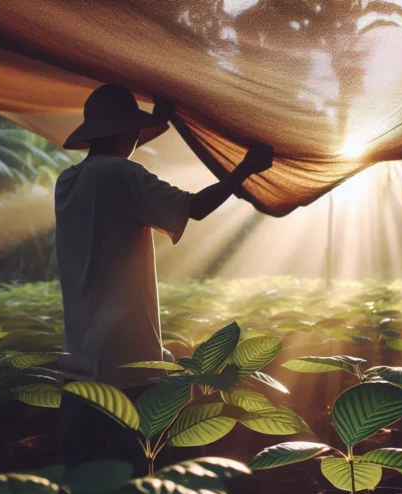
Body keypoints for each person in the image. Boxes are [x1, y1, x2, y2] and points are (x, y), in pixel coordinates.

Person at [54, 84, 273, 465]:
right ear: (126, 131)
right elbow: (195, 207)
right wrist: (245, 170)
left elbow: (119, 161)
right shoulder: (123, 175)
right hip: (127, 357)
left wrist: (158, 122)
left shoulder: (68, 182)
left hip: (79, 353)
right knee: (145, 463)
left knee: (84, 474)